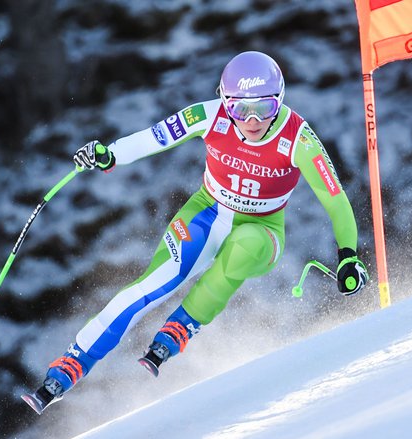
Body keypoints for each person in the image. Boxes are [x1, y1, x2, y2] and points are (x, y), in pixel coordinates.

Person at [21, 51, 369, 414]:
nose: (251, 121)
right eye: (239, 109)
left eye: (263, 109)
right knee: (155, 283)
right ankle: (72, 362)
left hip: (263, 229)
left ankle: (183, 324)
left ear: (279, 101)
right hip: (204, 213)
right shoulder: (208, 114)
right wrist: (110, 155)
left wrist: (348, 256)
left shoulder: (299, 138)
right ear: (225, 101)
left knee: (244, 246)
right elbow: (154, 138)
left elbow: (335, 200)